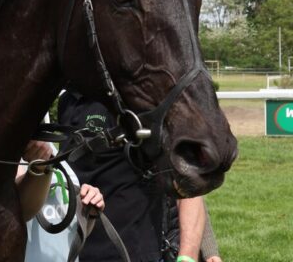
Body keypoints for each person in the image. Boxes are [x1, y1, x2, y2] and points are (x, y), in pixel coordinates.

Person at [57, 90, 219, 262]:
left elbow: (186, 181)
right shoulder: (68, 100)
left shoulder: (140, 101)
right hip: (76, 250)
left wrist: (188, 257)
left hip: (137, 252)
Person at [16, 138, 106, 261]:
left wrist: (88, 211)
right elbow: (18, 209)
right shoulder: (8, 155)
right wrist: (40, 169)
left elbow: (72, 232)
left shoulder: (54, 152)